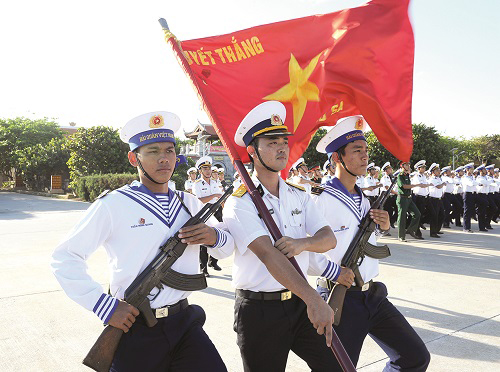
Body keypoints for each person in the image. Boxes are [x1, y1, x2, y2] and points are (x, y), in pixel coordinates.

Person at [51, 111, 233, 371]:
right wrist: (103, 305)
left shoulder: (189, 203)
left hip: (184, 323)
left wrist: (213, 236)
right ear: (133, 157)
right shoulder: (114, 204)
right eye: (153, 151)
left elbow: (227, 248)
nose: (164, 158)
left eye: (170, 150)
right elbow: (65, 257)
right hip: (135, 328)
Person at [223, 101, 343, 372]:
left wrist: (302, 243)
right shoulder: (240, 202)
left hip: (299, 301)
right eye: (272, 142)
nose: (281, 148)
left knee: (334, 366)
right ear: (252, 151)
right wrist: (314, 299)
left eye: (284, 142)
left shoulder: (297, 194)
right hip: (260, 311)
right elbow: (269, 255)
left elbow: (328, 238)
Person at [313, 116, 430, 370]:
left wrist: (384, 227)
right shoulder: (321, 201)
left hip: (372, 296)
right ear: (337, 158)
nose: (365, 157)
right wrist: (335, 272)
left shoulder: (363, 199)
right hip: (340, 297)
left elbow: (369, 244)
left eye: (366, 151)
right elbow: (305, 255)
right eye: (357, 151)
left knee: (415, 357)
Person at [193, 156, 223, 275]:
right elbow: (198, 200)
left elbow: (221, 198)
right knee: (204, 240)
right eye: (205, 169)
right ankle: (203, 267)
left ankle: (213, 261)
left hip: (217, 210)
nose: (208, 171)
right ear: (200, 171)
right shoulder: (198, 184)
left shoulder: (215, 183)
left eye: (209, 168)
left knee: (218, 235)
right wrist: (213, 195)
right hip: (205, 211)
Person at [396, 161, 424, 241]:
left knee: (417, 214)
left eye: (409, 164)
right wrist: (416, 185)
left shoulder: (407, 175)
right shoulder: (400, 176)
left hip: (408, 198)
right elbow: (404, 186)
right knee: (402, 218)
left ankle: (410, 230)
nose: (408, 166)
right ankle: (401, 236)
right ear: (402, 166)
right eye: (406, 164)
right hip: (402, 198)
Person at [411, 160, 432, 236]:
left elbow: (425, 185)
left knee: (422, 213)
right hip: (418, 197)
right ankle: (416, 232)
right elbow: (421, 185)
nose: (424, 169)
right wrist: (426, 185)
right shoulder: (416, 176)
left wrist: (426, 185)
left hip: (424, 197)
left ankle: (417, 226)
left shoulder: (424, 176)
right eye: (422, 167)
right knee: (418, 215)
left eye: (424, 167)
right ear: (418, 168)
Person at [427, 163, 446, 238]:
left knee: (442, 215)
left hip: (439, 199)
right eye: (437, 170)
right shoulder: (432, 179)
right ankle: (433, 232)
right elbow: (438, 186)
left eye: (439, 170)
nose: (439, 171)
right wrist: (443, 184)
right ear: (433, 172)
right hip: (433, 199)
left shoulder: (439, 178)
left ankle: (437, 229)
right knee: (434, 216)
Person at [380, 162, 398, 229]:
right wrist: (397, 193)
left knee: (397, 209)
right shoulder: (384, 178)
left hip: (391, 197)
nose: (391, 169)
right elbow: (388, 188)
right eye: (389, 168)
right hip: (386, 197)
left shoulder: (391, 177)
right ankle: (384, 227)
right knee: (387, 212)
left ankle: (391, 222)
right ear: (386, 170)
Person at [461, 163, 478, 233]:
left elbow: (475, 184)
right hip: (467, 194)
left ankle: (469, 227)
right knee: (467, 211)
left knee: (470, 210)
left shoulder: (472, 177)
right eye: (471, 169)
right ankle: (465, 227)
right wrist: (474, 182)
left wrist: (474, 181)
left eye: (472, 169)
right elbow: (471, 184)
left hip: (472, 194)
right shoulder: (464, 177)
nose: (472, 171)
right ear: (467, 170)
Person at [475, 165, 491, 232]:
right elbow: (487, 183)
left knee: (483, 212)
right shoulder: (479, 178)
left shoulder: (485, 177)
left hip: (485, 195)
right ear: (481, 171)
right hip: (480, 195)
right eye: (484, 169)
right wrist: (487, 183)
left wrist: (487, 183)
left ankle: (483, 226)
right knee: (481, 212)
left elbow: (489, 182)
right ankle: (481, 227)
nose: (486, 171)